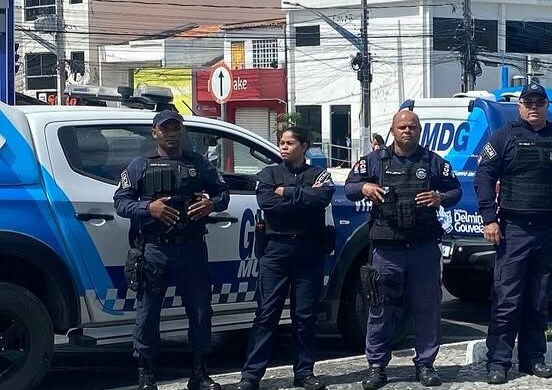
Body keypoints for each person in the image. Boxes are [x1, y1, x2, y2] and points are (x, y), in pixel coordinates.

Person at [474, 81, 552, 385]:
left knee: (539, 299)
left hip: (548, 230)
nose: (534, 107)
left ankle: (533, 359)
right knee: (506, 299)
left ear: (547, 106)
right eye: (528, 102)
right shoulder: (503, 138)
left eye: (539, 102)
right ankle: (498, 362)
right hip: (513, 230)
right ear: (520, 106)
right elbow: (484, 178)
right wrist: (490, 219)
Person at [345, 109, 463, 389]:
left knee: (427, 308)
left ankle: (425, 364)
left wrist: (440, 197)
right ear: (393, 130)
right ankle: (376, 366)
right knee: (380, 308)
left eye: (412, 127)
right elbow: (349, 188)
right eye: (402, 127)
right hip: (387, 249)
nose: (407, 131)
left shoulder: (433, 162)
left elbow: (456, 191)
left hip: (423, 247)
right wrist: (365, 188)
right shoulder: (375, 161)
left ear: (419, 131)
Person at [113, 110, 230, 390]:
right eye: (165, 129)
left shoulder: (198, 163)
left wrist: (211, 204)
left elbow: (223, 194)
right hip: (154, 250)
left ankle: (200, 375)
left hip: (191, 248)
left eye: (176, 128)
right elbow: (120, 201)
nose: (171, 133)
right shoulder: (140, 165)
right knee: (148, 315)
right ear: (155, 133)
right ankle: (146, 376)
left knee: (201, 314)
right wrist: (147, 208)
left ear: (182, 131)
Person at [236, 126, 335, 390]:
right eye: (281, 142)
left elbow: (322, 197)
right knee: (266, 315)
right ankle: (251, 375)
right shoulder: (269, 174)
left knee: (305, 316)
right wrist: (301, 196)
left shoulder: (319, 174)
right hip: (276, 250)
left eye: (290, 143)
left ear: (304, 146)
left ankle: (304, 372)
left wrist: (287, 192)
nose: (283, 147)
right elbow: (268, 203)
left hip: (308, 250)